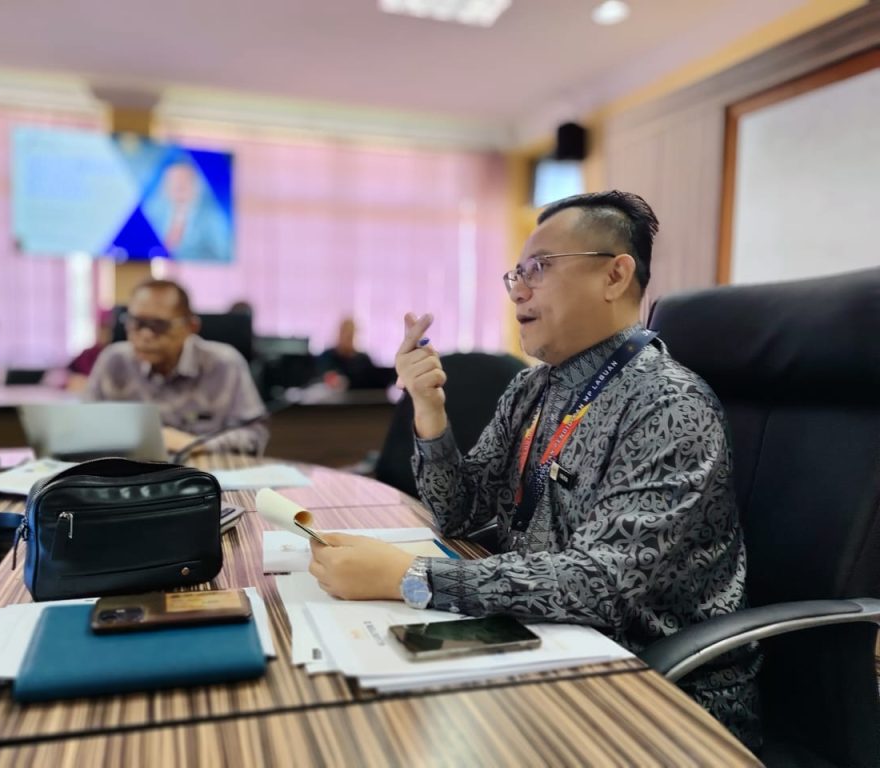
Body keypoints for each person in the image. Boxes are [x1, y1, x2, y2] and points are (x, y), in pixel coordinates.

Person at [308, 191, 760, 747]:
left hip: (657, 692)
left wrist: (411, 577)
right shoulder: (532, 388)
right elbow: (459, 511)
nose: (519, 290)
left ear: (615, 275)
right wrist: (428, 411)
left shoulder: (668, 404)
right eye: (516, 274)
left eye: (541, 268)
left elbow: (601, 586)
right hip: (547, 641)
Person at [84, 279, 267, 456]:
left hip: (201, 468)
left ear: (191, 327)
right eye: (137, 323)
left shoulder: (224, 364)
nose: (145, 335)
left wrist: (197, 445)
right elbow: (86, 428)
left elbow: (255, 433)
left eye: (159, 325)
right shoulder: (113, 361)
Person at [143, 159, 232, 263]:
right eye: (173, 181)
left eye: (184, 181)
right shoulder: (154, 211)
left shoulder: (211, 216)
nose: (178, 186)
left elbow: (224, 256)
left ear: (196, 185)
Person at [317, 317, 386, 390]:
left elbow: (374, 382)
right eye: (345, 333)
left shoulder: (363, 359)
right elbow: (320, 378)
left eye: (350, 335)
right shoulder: (327, 356)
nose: (347, 338)